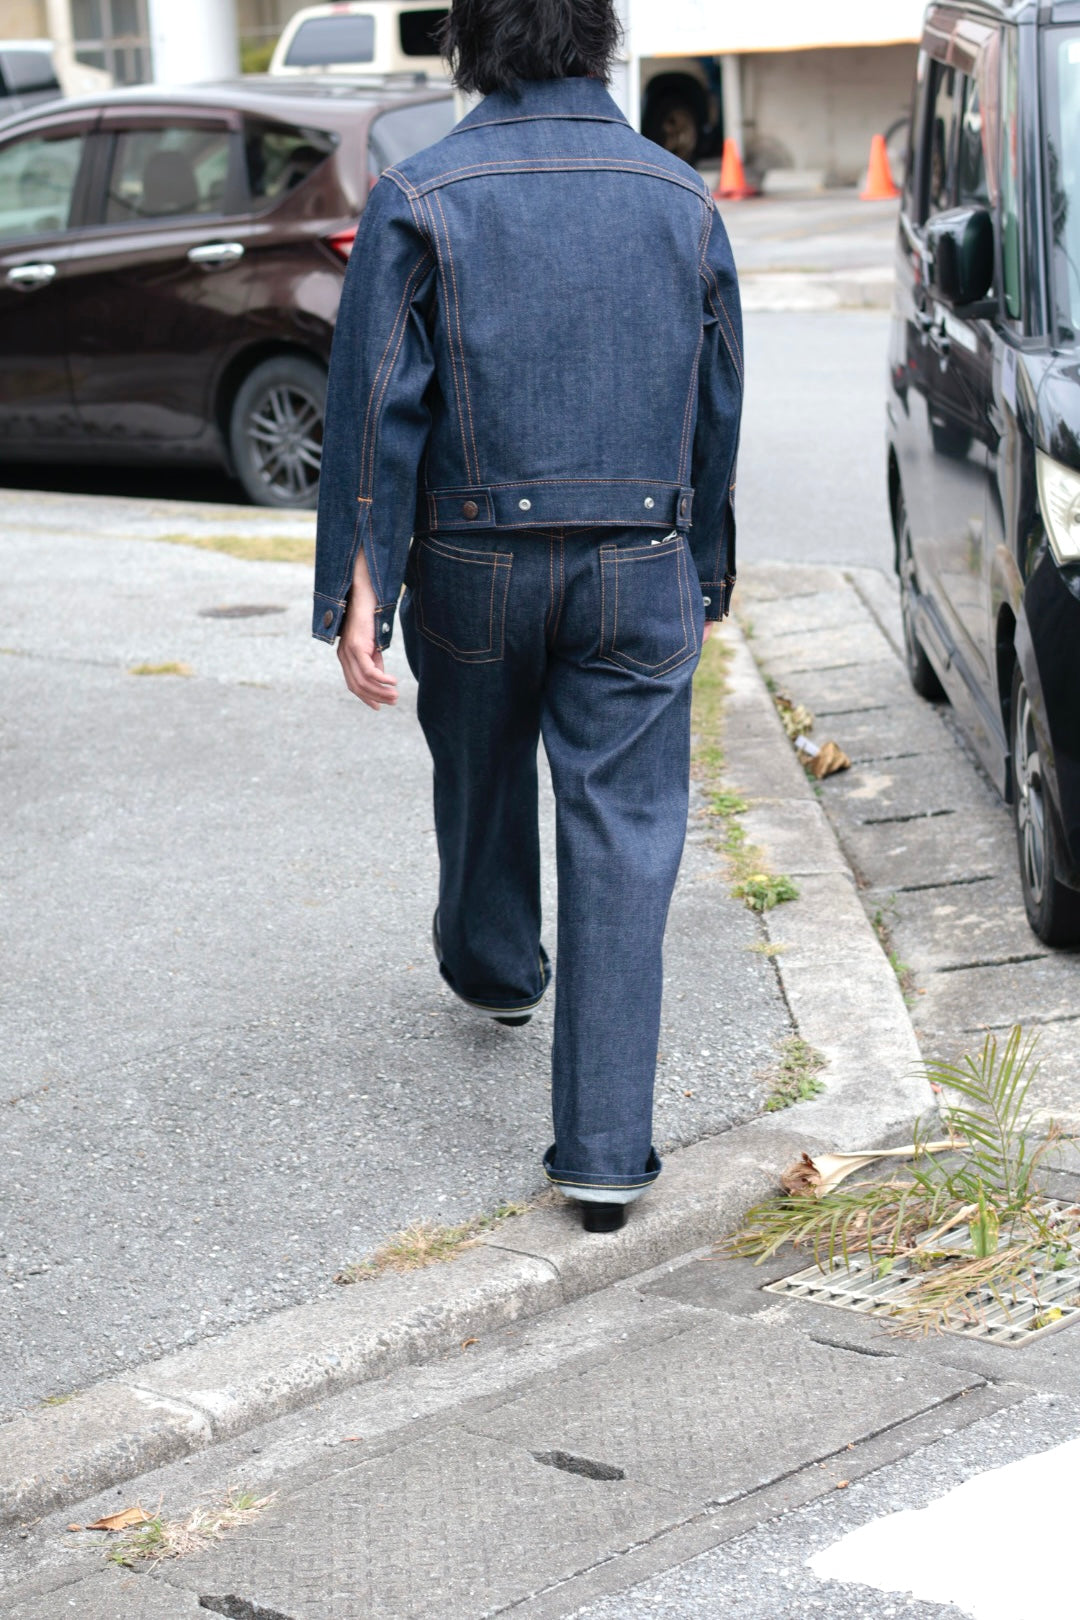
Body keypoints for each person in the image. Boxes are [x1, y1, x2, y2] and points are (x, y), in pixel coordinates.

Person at [313, 0, 743, 1233]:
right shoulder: (682, 199)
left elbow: (377, 400)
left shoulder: (420, 194)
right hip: (641, 555)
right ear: (599, 40)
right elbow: (718, 398)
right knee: (626, 834)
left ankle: (496, 966)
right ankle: (605, 1156)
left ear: (470, 45)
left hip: (473, 557)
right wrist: (705, 569)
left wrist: (361, 579)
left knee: (481, 763)